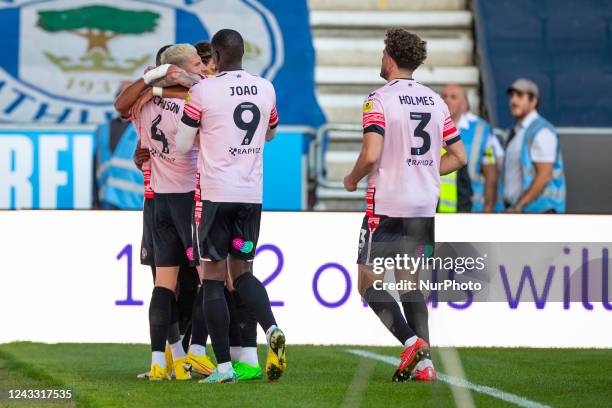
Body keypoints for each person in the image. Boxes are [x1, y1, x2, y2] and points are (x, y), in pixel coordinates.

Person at [343, 28, 467, 382]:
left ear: (391, 58)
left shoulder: (378, 99)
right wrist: (426, 168)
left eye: (383, 53)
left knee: (367, 283)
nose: (381, 59)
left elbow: (371, 154)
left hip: (387, 204)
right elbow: (459, 156)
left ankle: (412, 343)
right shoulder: (435, 102)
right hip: (423, 207)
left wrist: (352, 179)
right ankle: (426, 366)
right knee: (411, 285)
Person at [176, 28, 285, 384]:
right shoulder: (265, 87)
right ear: (243, 53)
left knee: (211, 278)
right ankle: (271, 329)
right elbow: (270, 133)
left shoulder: (203, 90)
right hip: (250, 196)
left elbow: (180, 144)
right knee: (243, 274)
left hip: (214, 195)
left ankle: (223, 368)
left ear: (217, 57)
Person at [115, 43, 205, 381]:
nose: (203, 69)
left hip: (158, 200)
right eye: (197, 63)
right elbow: (203, 93)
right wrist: (164, 80)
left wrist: (153, 84)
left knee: (163, 284)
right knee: (207, 280)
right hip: (189, 197)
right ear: (177, 70)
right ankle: (193, 354)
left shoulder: (142, 102)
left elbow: (121, 104)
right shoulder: (193, 100)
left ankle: (162, 359)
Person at [503, 78, 566, 213]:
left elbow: (545, 175)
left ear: (533, 101)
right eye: (512, 96)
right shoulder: (514, 132)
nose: (513, 101)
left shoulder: (542, 131)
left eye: (519, 96)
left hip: (540, 212)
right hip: (524, 211)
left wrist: (518, 206)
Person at [441, 84, 502, 212]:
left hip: (472, 208)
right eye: (444, 96)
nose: (447, 100)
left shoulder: (481, 129)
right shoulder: (433, 126)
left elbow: (491, 173)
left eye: (453, 97)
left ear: (464, 103)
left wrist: (488, 207)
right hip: (439, 207)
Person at [94, 81, 143, 210]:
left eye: (132, 93)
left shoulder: (145, 126)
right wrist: (94, 200)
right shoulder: (103, 129)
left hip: (136, 202)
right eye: (123, 94)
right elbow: (96, 164)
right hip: (107, 200)